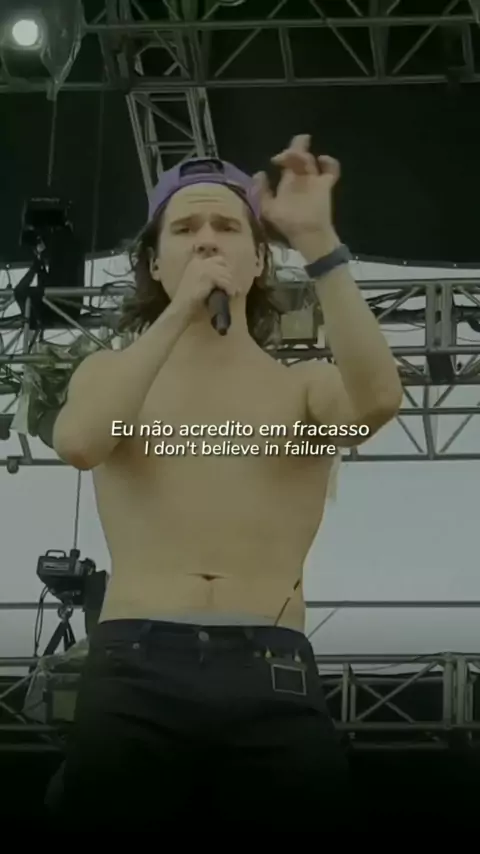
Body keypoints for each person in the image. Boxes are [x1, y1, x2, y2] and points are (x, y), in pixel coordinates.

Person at [51, 134, 402, 827]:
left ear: (259, 257)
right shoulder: (110, 375)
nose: (207, 240)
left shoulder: (302, 386)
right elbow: (82, 443)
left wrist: (320, 243)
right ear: (156, 262)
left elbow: (377, 401)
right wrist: (179, 312)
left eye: (226, 227)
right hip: (135, 661)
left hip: (269, 665)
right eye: (185, 229)